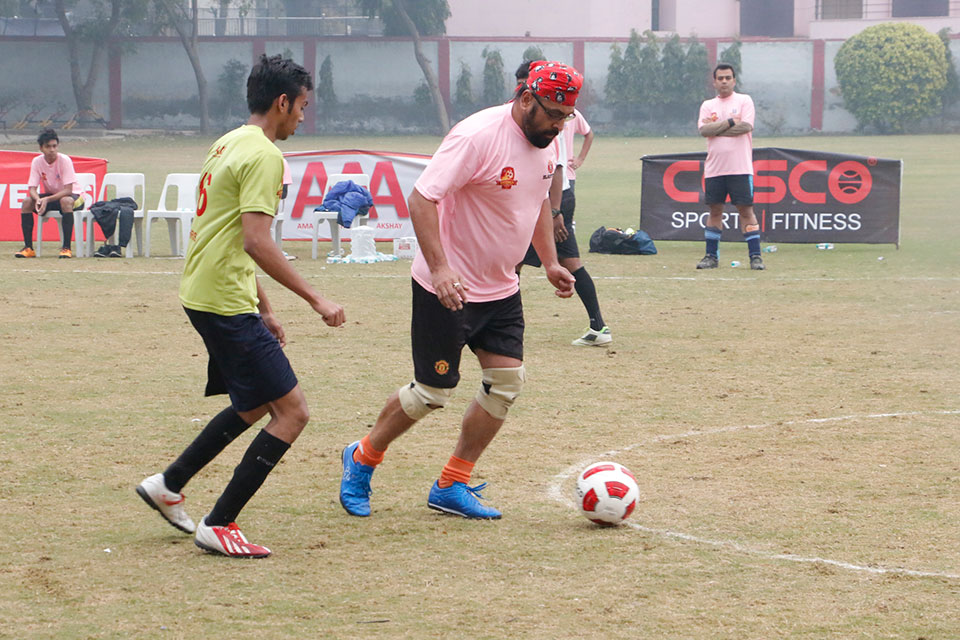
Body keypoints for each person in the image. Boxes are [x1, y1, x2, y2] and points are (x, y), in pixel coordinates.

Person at [339, 60, 581, 520]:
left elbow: (534, 204)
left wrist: (549, 261)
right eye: (552, 114)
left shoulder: (548, 141)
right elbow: (422, 198)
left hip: (502, 287)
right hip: (446, 288)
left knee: (505, 384)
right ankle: (362, 456)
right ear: (525, 98)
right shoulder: (477, 136)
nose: (557, 125)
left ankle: (452, 483)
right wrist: (441, 269)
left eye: (565, 117)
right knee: (431, 393)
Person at [136, 54, 345, 558]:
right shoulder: (266, 156)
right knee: (292, 412)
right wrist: (315, 298)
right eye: (302, 106)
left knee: (254, 402)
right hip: (224, 302)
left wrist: (265, 309)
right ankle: (220, 523)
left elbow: (229, 237)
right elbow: (256, 241)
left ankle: (169, 483)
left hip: (206, 291)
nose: (303, 117)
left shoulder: (228, 141)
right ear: (282, 102)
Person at [514, 61, 611, 346]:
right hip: (553, 196)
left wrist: (555, 212)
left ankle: (506, 327)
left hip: (552, 198)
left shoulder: (548, 122)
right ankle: (599, 327)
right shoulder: (527, 117)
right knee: (569, 263)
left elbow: (556, 168)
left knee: (512, 262)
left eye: (526, 82)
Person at [696, 63, 764, 271]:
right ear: (714, 82)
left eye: (728, 78)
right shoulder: (708, 105)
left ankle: (755, 257)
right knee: (715, 210)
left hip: (740, 168)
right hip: (714, 169)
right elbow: (704, 130)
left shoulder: (744, 100)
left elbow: (746, 126)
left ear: (734, 80)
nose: (724, 81)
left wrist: (717, 129)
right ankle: (711, 256)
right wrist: (729, 122)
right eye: (720, 78)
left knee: (746, 210)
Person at [15, 129, 81, 259]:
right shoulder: (37, 161)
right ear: (41, 148)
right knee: (27, 202)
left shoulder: (65, 160)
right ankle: (28, 248)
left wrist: (47, 199)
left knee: (66, 201)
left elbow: (68, 190)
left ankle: (66, 248)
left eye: (54, 146)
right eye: (48, 147)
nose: (52, 150)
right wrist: (38, 200)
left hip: (74, 197)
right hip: (52, 197)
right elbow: (32, 189)